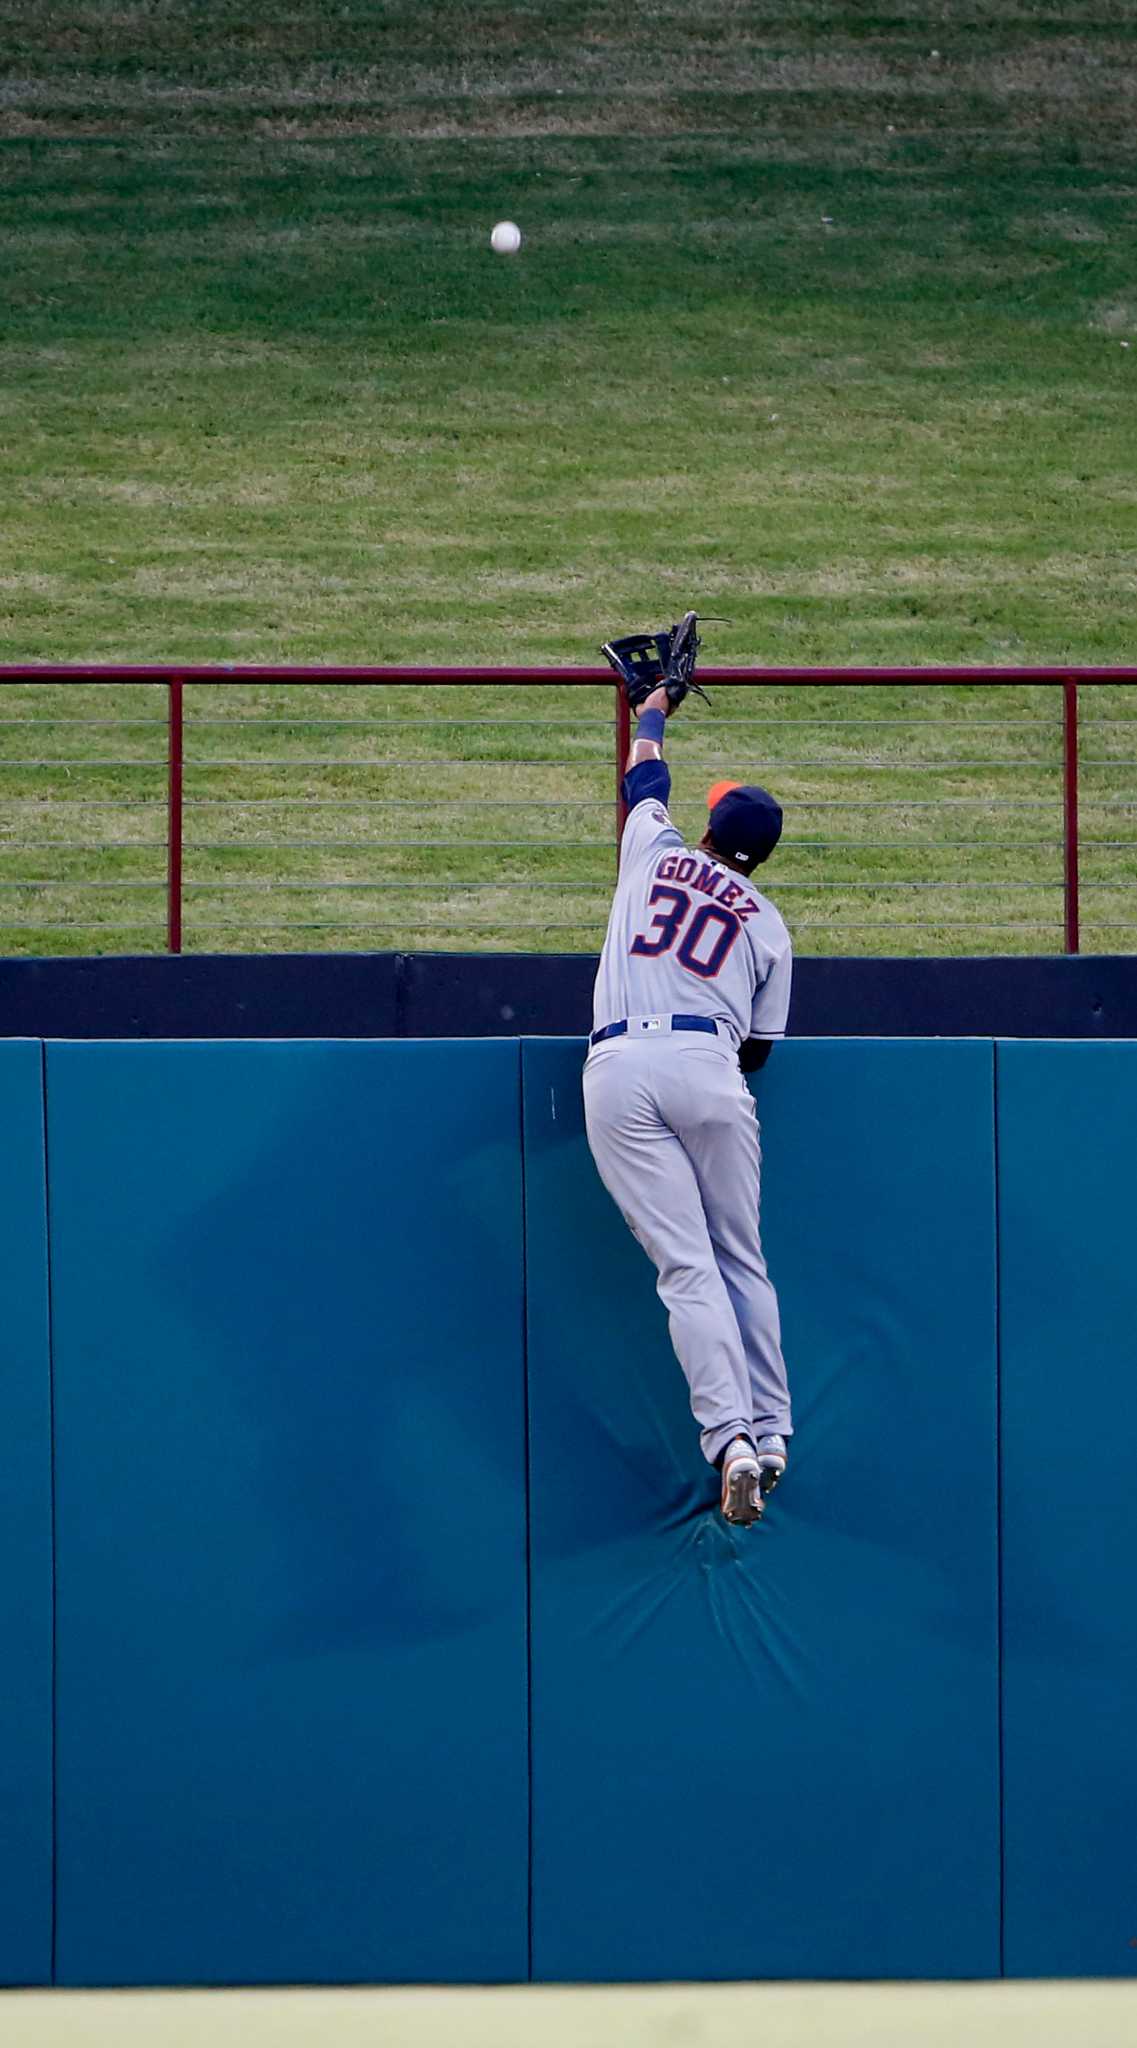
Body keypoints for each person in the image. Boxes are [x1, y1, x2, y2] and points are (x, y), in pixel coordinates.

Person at [583, 674, 793, 1527]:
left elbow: (644, 779)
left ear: (708, 828)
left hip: (624, 1065)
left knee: (686, 1269)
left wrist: (655, 708)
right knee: (740, 1259)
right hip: (711, 1068)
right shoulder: (770, 923)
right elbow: (759, 1053)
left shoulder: (656, 852)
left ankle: (731, 1441)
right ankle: (771, 1435)